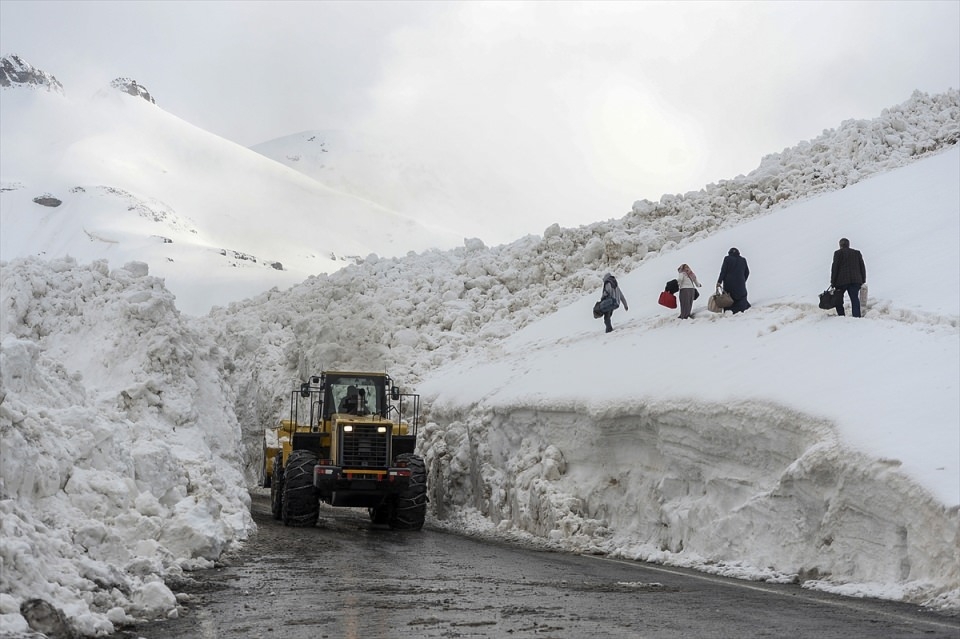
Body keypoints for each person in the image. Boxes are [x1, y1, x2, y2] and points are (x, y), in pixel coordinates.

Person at [830, 237, 866, 317]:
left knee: (838, 298)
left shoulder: (838, 253)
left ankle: (841, 315)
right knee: (854, 298)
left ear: (840, 245)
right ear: (848, 244)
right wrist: (863, 279)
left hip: (841, 281)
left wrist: (833, 281)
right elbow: (862, 267)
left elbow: (835, 268)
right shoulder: (857, 253)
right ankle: (856, 316)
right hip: (856, 280)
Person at [717, 248, 750, 314]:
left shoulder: (727, 259)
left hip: (729, 283)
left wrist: (719, 281)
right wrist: (743, 280)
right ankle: (742, 308)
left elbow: (723, 271)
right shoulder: (743, 260)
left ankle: (731, 310)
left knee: (730, 297)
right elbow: (747, 272)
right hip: (741, 283)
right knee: (741, 297)